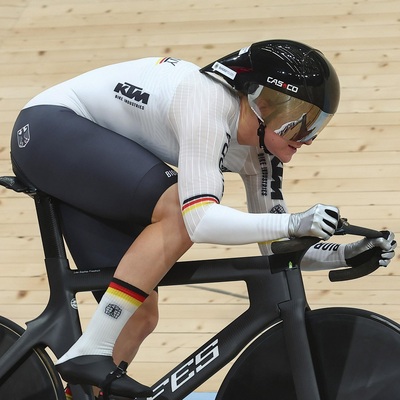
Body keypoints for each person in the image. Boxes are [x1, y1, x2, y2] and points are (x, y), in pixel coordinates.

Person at [10, 39, 396, 399]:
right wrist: (294, 222)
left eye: (317, 124)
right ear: (262, 104)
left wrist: (346, 253)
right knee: (182, 208)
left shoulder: (261, 157)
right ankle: (90, 350)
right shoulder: (207, 101)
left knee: (139, 317)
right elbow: (199, 221)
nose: (307, 137)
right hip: (49, 128)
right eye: (298, 121)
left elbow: (279, 246)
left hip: (89, 159)